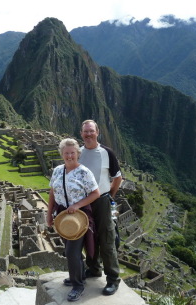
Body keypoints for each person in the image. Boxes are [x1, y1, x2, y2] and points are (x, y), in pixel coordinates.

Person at [47, 138, 100, 302]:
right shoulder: (57, 171)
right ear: (62, 154)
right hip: (62, 215)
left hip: (79, 217)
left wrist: (77, 205)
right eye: (66, 153)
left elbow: (95, 193)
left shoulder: (84, 172)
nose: (70, 156)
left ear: (78, 153)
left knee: (71, 252)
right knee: (70, 249)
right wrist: (48, 215)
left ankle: (78, 285)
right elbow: (52, 192)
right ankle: (77, 275)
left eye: (72, 153)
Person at [79, 119, 122, 296]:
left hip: (102, 200)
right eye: (85, 131)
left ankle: (113, 279)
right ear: (81, 133)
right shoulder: (78, 153)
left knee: (107, 239)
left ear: (97, 132)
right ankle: (94, 269)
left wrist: (109, 196)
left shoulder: (106, 153)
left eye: (91, 131)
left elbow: (118, 178)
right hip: (83, 201)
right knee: (88, 237)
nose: (88, 134)